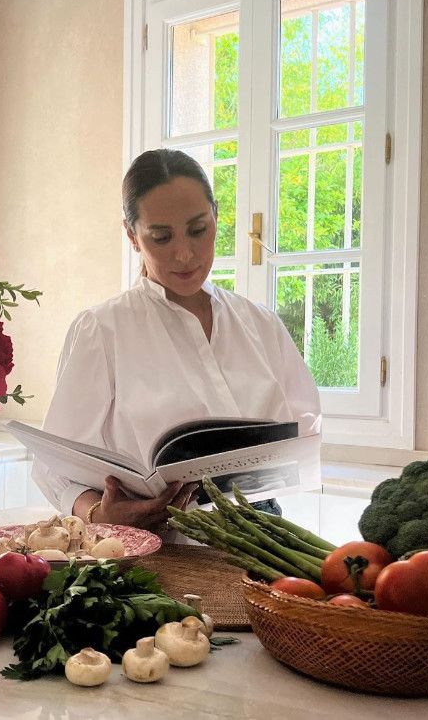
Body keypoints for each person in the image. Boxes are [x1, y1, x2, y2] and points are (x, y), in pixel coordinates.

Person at [32, 149, 321, 529]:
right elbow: (54, 466)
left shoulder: (261, 325)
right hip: (154, 544)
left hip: (264, 536)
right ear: (133, 236)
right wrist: (97, 513)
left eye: (198, 230)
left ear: (216, 216)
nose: (184, 254)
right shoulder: (102, 331)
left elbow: (305, 432)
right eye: (161, 237)